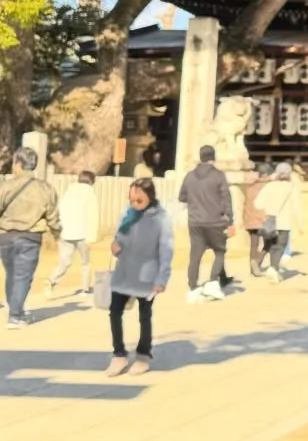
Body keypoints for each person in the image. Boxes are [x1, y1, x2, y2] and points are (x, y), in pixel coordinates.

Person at [106, 176, 172, 376]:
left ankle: (143, 354)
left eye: (139, 200)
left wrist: (162, 278)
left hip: (147, 273)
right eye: (131, 200)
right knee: (114, 310)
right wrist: (115, 246)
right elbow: (119, 238)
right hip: (125, 270)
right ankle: (119, 354)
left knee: (144, 314)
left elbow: (166, 249)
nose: (134, 204)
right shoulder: (127, 214)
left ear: (150, 197)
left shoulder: (161, 218)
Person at [0, 147, 61, 326]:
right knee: (22, 275)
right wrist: (57, 233)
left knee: (12, 274)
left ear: (18, 164)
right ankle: (16, 314)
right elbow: (53, 216)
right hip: (30, 237)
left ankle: (15, 308)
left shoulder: (5, 186)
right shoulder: (45, 189)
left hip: (5, 237)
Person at [178, 144, 235, 303]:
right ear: (213, 158)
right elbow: (226, 198)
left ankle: (192, 287)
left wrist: (195, 200)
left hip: (195, 220)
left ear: (201, 157)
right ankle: (212, 281)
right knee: (219, 251)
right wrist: (230, 220)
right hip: (215, 221)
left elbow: (182, 197)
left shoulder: (189, 176)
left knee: (195, 255)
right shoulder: (218, 176)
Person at [48, 169, 99, 296]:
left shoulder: (68, 192)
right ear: (92, 181)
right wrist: (91, 238)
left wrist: (57, 233)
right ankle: (85, 289)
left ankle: (51, 280)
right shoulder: (89, 193)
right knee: (85, 263)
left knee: (64, 262)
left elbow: (59, 212)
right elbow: (92, 216)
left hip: (65, 233)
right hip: (82, 233)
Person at [254, 163, 302, 278]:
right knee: (280, 246)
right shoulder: (292, 187)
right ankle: (274, 267)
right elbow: (297, 207)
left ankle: (267, 265)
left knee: (269, 244)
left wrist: (267, 210)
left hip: (270, 221)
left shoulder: (269, 186)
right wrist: (300, 225)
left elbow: (258, 204)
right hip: (284, 222)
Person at [242, 163, 276, 276]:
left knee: (253, 244)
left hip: (249, 217)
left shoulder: (249, 185)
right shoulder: (268, 186)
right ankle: (257, 261)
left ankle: (253, 267)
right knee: (271, 241)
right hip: (262, 218)